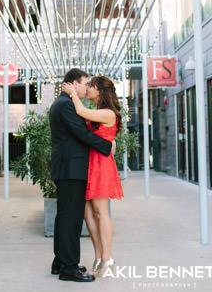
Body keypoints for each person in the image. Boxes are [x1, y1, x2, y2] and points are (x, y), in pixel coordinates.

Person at [49, 68, 116, 282]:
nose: (86, 88)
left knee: (65, 217)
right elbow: (82, 133)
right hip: (71, 169)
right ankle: (68, 268)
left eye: (90, 85)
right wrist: (106, 146)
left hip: (71, 168)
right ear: (74, 84)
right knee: (71, 219)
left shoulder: (64, 103)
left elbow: (84, 129)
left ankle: (61, 262)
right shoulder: (66, 104)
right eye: (85, 83)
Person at [62, 75, 124, 277]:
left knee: (100, 212)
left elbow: (80, 111)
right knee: (87, 213)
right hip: (90, 164)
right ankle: (98, 256)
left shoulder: (108, 113)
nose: (87, 89)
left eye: (91, 86)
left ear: (101, 91)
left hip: (101, 165)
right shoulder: (98, 112)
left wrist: (72, 93)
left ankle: (107, 257)